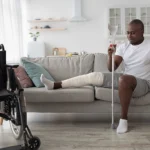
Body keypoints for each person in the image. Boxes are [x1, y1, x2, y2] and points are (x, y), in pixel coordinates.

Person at [40, 19, 150, 134]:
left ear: (142, 31)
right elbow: (111, 69)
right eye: (127, 32)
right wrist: (110, 55)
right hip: (125, 79)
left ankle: (123, 120)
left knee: (124, 78)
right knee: (94, 76)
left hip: (143, 83)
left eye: (133, 33)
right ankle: (54, 85)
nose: (129, 36)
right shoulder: (124, 47)